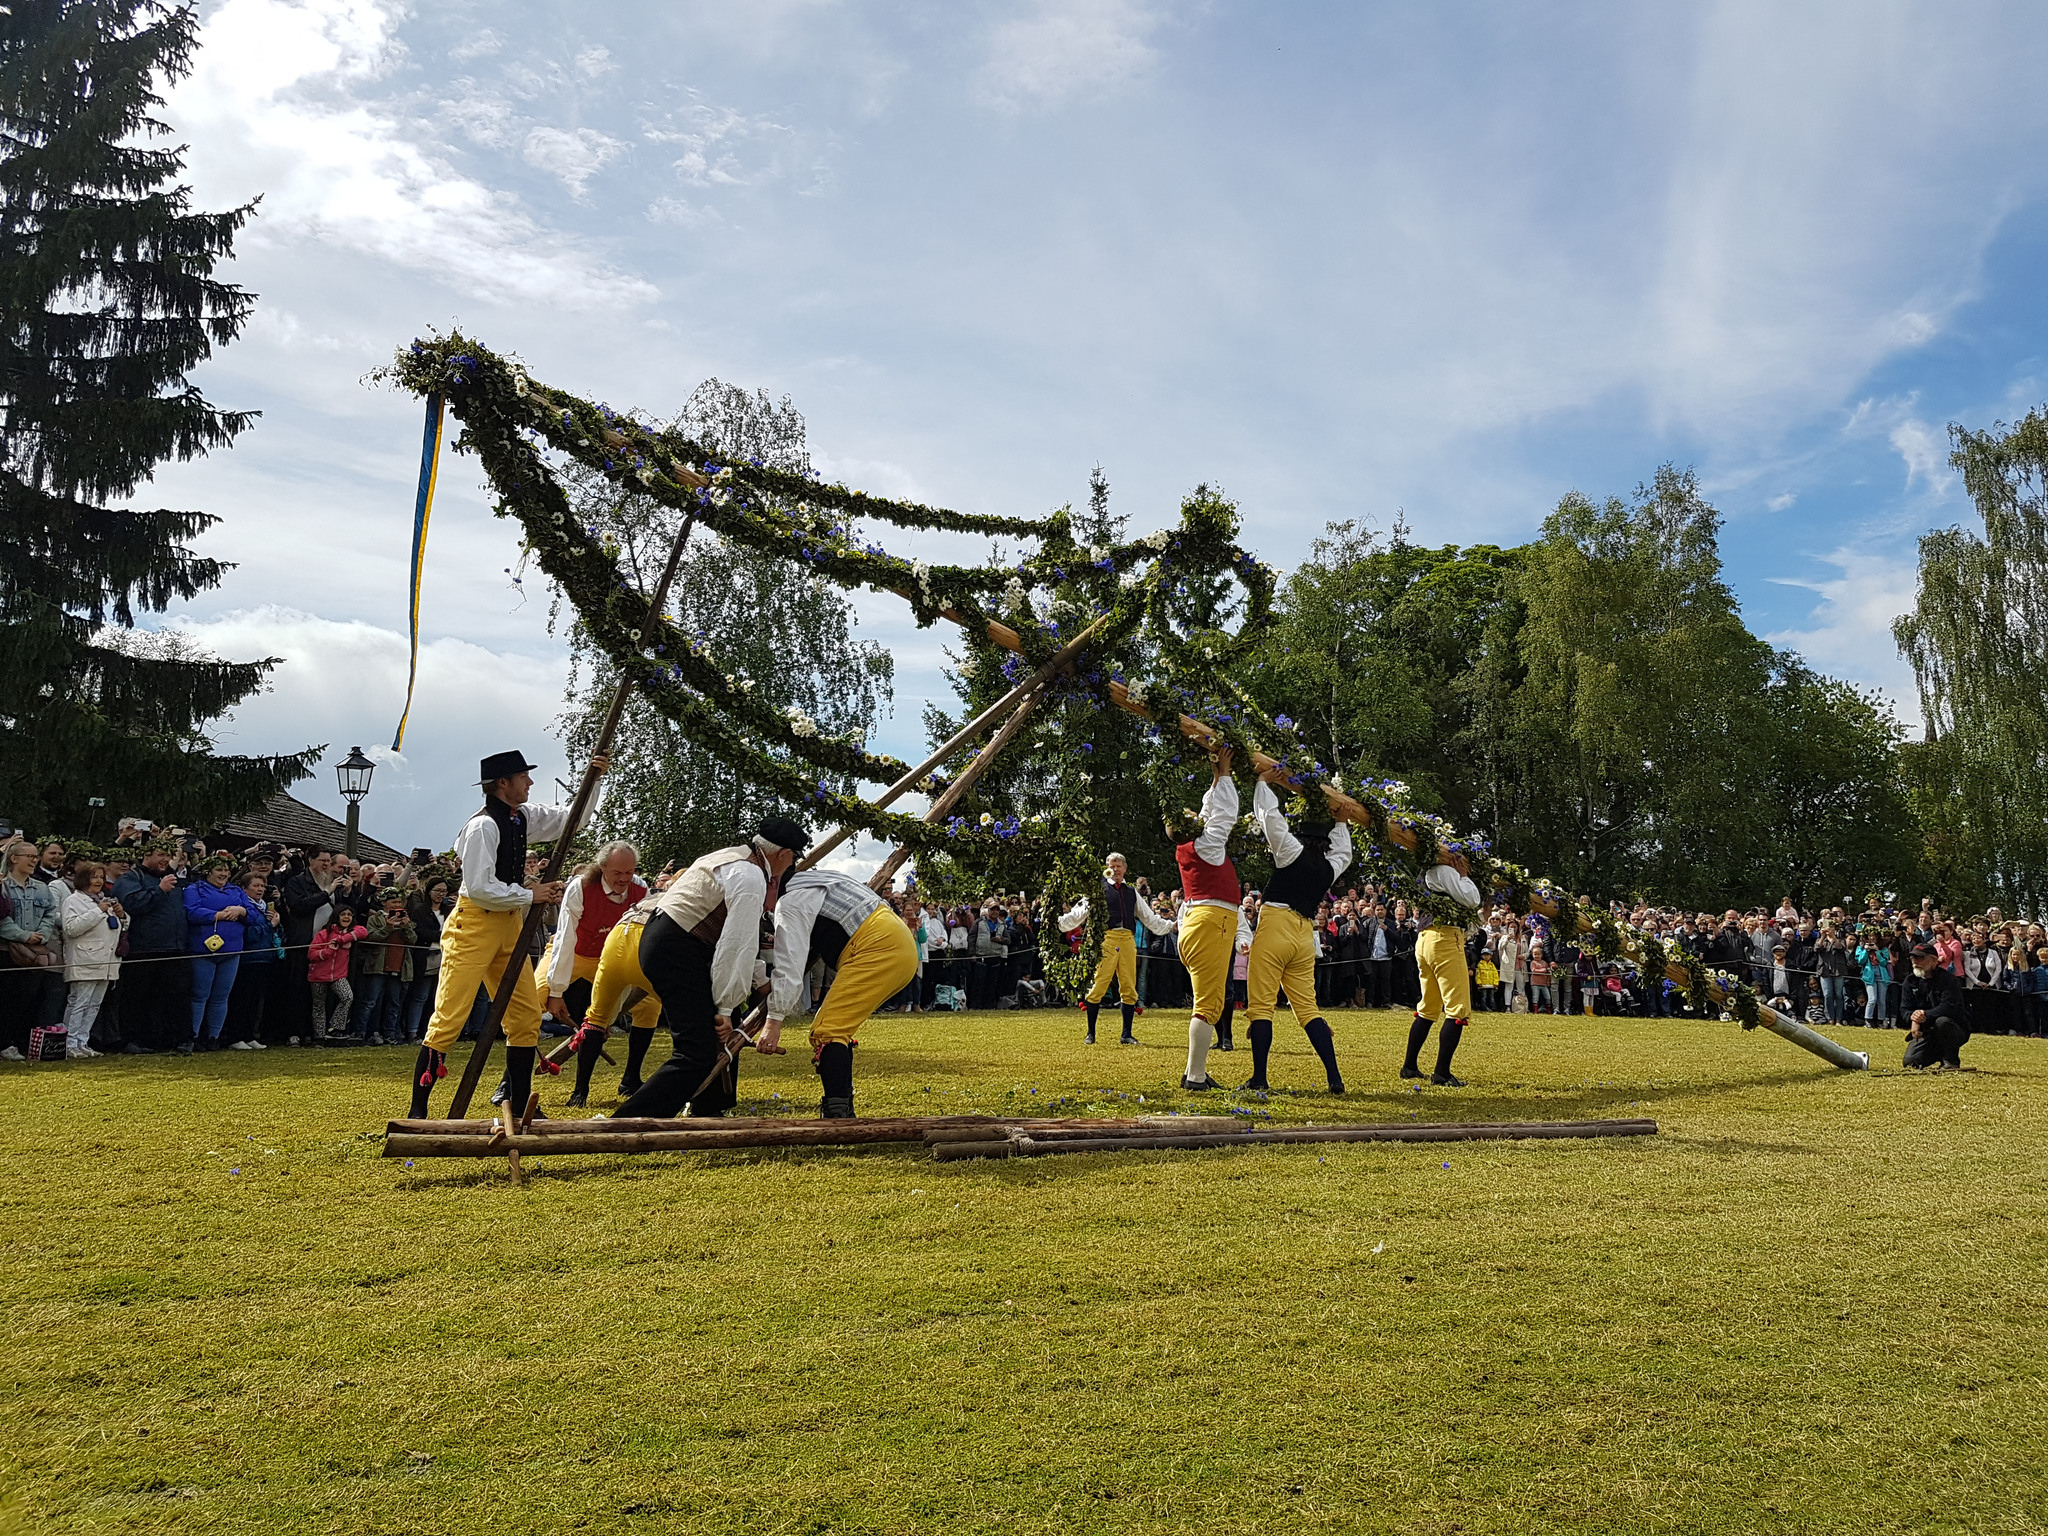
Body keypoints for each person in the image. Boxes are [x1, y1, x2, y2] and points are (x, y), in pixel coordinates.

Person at [405, 750, 603, 1121]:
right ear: (502, 784)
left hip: (509, 923)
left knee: (526, 1016)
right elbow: (480, 887)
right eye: (523, 777)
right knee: (449, 1017)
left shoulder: (522, 816)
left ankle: (522, 1102)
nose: (529, 783)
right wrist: (532, 894)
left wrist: (593, 781)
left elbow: (570, 821)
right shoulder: (483, 827)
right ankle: (418, 1110)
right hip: (474, 924)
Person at [599, 816, 809, 1121]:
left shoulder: (730, 856)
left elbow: (738, 943)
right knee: (695, 1052)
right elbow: (736, 947)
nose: (789, 867)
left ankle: (710, 1108)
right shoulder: (750, 878)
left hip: (669, 942)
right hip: (676, 949)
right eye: (792, 860)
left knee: (715, 1035)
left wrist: (753, 986)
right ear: (783, 854)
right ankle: (628, 1124)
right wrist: (723, 1008)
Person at [759, 867, 920, 1117]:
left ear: (772, 884)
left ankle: (837, 1114)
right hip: (898, 942)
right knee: (837, 1029)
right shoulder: (821, 878)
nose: (764, 908)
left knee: (829, 1030)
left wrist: (773, 1021)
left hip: (877, 946)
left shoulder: (789, 902)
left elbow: (789, 964)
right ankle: (842, 1106)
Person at [1239, 770, 1353, 1094]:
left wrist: (1262, 783)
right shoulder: (1330, 868)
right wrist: (1342, 823)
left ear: (1301, 835)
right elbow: (1344, 852)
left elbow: (1270, 819)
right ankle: (1335, 1078)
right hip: (1305, 934)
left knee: (1261, 1005)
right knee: (1308, 1008)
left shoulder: (1291, 851)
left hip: (1275, 924)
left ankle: (1260, 1078)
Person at [540, 841, 661, 1110]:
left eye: (629, 872)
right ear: (603, 867)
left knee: (650, 1005)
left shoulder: (641, 890)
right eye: (618, 873)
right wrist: (556, 990)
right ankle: (510, 1082)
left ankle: (631, 1079)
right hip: (575, 952)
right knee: (533, 998)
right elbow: (565, 937)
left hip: (612, 958)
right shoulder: (580, 887)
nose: (624, 879)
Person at [1163, 746, 1242, 1091]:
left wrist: (1216, 776)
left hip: (1201, 921)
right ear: (1192, 826)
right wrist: (1223, 773)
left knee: (1209, 998)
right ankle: (1194, 1076)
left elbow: (1211, 814)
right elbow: (1224, 814)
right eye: (1193, 814)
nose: (1198, 813)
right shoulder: (1207, 845)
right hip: (1211, 923)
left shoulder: (1191, 846)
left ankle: (1196, 1073)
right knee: (1209, 1001)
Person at [1059, 852, 1175, 1046]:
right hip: (1107, 938)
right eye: (1112, 866)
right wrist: (1060, 922)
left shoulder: (1131, 891)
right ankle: (1091, 1033)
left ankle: (1126, 1034)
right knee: (1099, 984)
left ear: (1125, 869)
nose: (1115, 869)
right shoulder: (1098, 890)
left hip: (1128, 939)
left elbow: (1147, 917)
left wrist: (1169, 925)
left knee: (1129, 986)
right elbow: (1080, 912)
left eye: (1119, 866)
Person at [1400, 845, 1484, 1086]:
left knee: (1429, 1006)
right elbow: (1472, 899)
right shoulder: (1445, 872)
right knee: (1458, 1009)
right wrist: (1464, 876)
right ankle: (1442, 1073)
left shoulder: (1425, 873)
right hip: (1446, 939)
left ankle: (1409, 1066)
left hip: (1425, 939)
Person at [182, 854, 254, 1052]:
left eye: (226, 871)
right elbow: (192, 911)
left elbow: (253, 915)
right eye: (219, 870)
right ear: (208, 871)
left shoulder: (237, 891)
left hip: (231, 951)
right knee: (199, 995)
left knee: (221, 996)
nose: (223, 874)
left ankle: (214, 1037)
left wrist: (242, 912)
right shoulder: (194, 889)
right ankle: (193, 1037)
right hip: (202, 950)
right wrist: (218, 915)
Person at [1, 838, 65, 1052]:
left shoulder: (41, 887)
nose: (34, 861)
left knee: (28, 999)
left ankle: (23, 1042)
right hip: (7, 950)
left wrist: (42, 934)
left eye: (36, 857)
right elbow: (2, 918)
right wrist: (23, 936)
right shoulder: (3, 886)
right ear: (13, 858)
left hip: (35, 952)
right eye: (29, 856)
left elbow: (49, 913)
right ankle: (5, 1043)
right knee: (6, 999)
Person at [59, 861, 125, 1058]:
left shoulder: (104, 900)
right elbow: (71, 929)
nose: (98, 881)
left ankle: (82, 1041)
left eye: (101, 877)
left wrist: (122, 916)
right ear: (83, 878)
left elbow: (115, 928)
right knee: (79, 1001)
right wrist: (99, 911)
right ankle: (69, 1043)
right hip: (84, 958)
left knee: (94, 1004)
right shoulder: (73, 900)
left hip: (106, 960)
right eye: (94, 876)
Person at [224, 871, 281, 1049]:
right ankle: (236, 1036)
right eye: (255, 886)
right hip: (248, 958)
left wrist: (276, 925)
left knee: (256, 1000)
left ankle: (250, 1035)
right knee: (242, 999)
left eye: (262, 886)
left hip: (265, 958)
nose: (260, 889)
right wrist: (269, 926)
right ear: (244, 888)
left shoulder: (266, 907)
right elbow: (248, 934)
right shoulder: (243, 907)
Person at [357, 888, 417, 1045]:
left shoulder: (405, 919)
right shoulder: (375, 919)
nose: (397, 905)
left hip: (399, 966)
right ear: (384, 903)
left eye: (399, 902)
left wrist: (406, 926)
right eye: (393, 902)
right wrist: (387, 928)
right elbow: (371, 937)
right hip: (378, 965)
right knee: (371, 1001)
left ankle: (390, 1033)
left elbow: (413, 940)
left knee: (394, 1002)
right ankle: (363, 1032)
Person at [1901, 942, 1970, 1070]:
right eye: (1913, 958)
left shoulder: (1949, 980)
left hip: (1953, 1028)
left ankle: (1951, 1060)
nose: (1915, 961)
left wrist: (1923, 1015)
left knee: (1942, 1021)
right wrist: (1913, 1017)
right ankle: (1937, 1052)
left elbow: (1949, 1007)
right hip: (1927, 1031)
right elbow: (1904, 1009)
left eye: (1920, 958)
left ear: (1934, 960)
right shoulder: (1910, 981)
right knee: (1910, 1062)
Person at [308, 904, 365, 1038]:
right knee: (318, 1006)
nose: (346, 917)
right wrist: (328, 951)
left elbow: (362, 931)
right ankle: (320, 1037)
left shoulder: (352, 932)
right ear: (336, 916)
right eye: (343, 914)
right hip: (318, 975)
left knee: (347, 997)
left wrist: (341, 939)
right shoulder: (324, 933)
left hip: (338, 975)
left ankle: (335, 1028)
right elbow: (311, 954)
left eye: (349, 915)